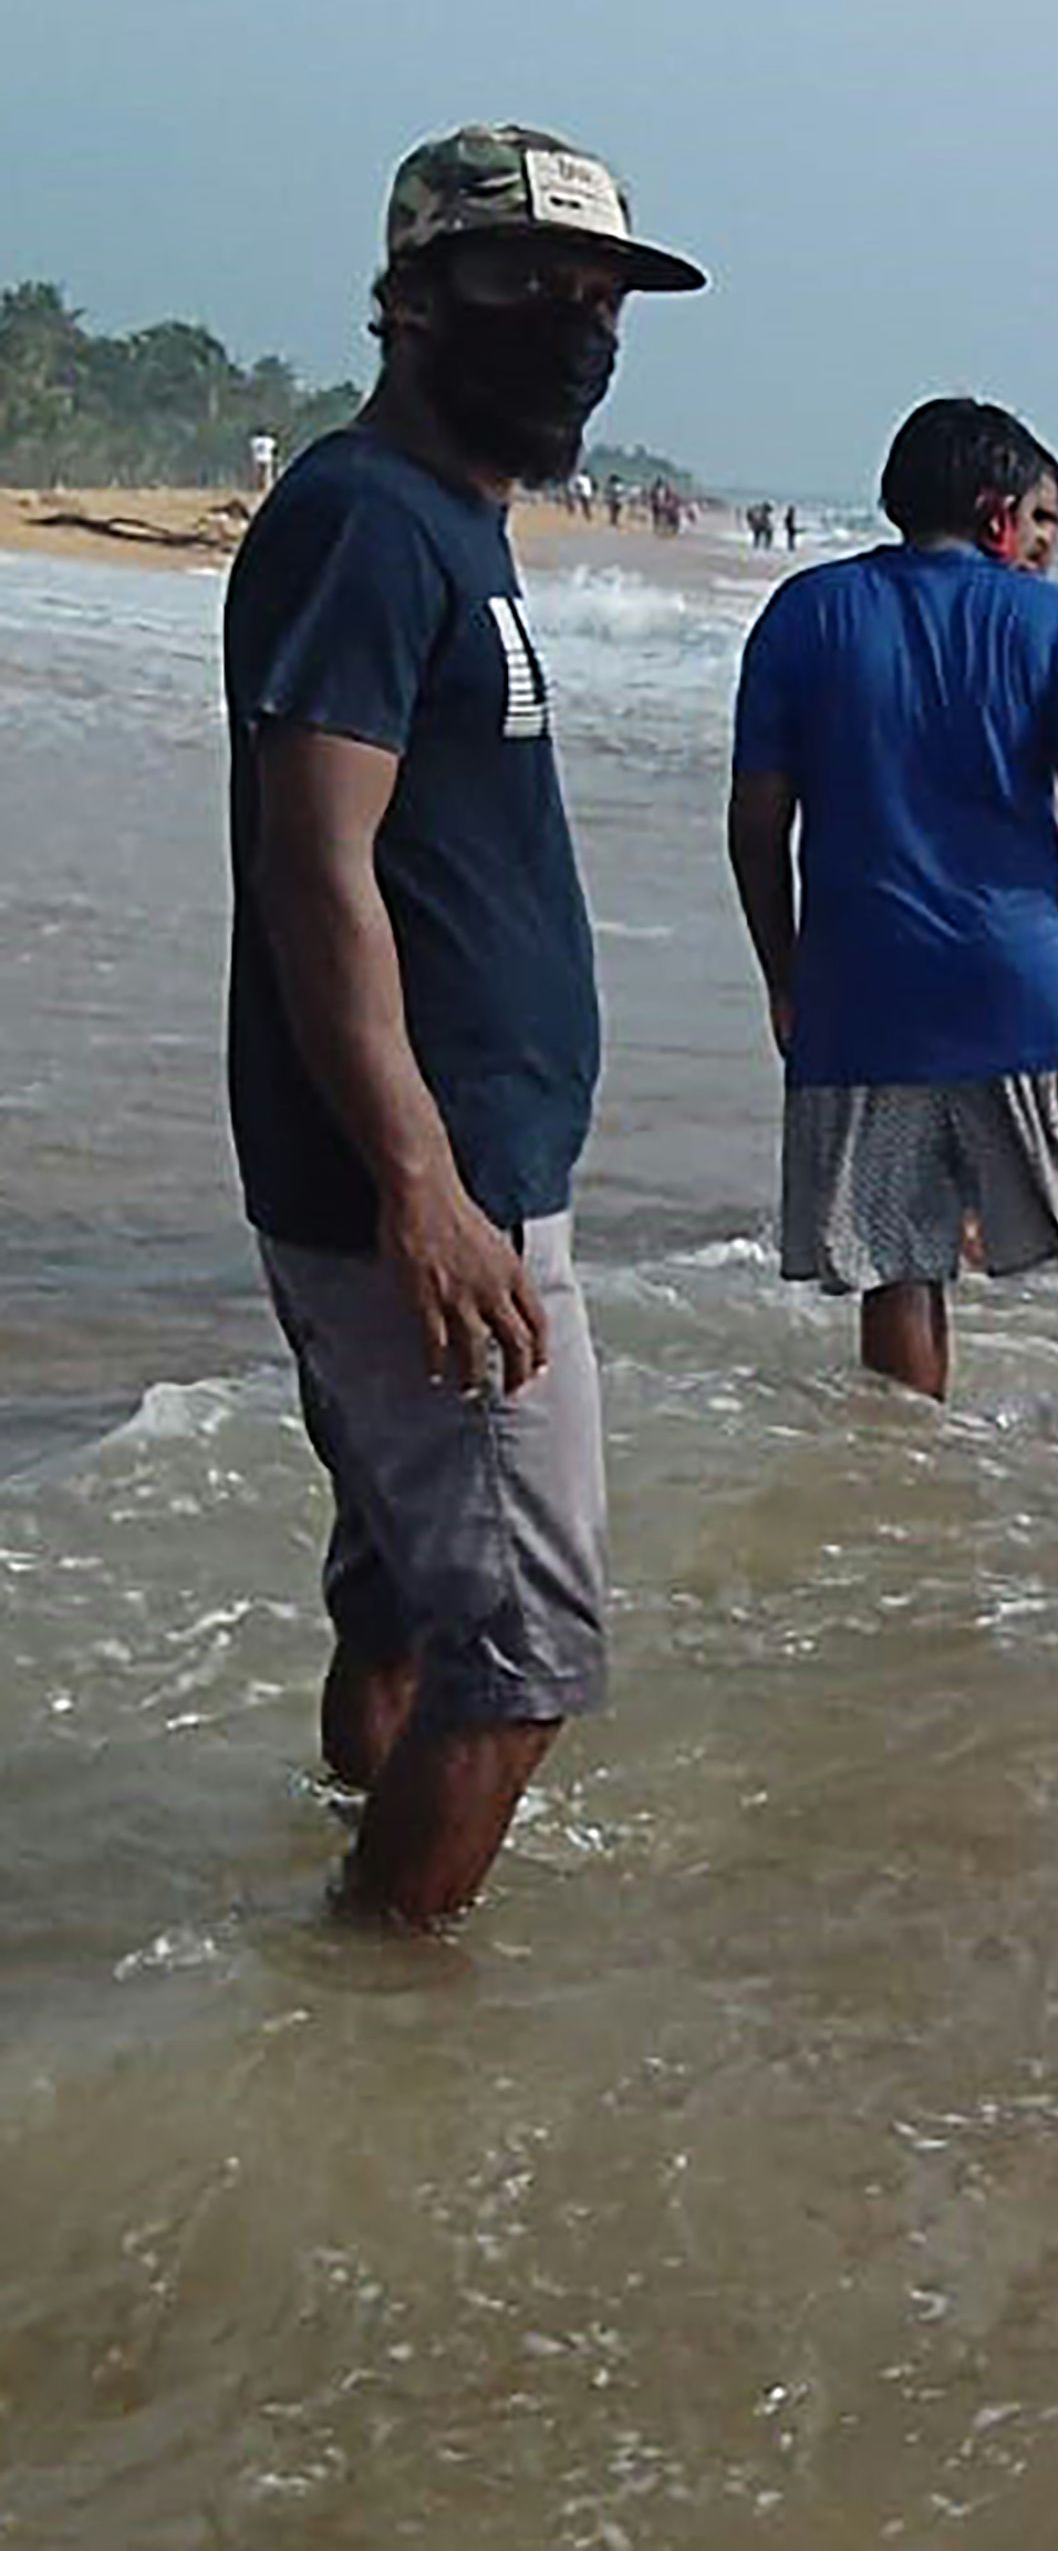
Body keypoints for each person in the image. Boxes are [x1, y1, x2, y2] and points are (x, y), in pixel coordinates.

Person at [222, 123, 703, 1926]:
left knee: (413, 1604)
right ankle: (379, 2021)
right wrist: (425, 1185)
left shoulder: (447, 523)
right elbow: (314, 871)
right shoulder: (363, 517)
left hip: (427, 1172)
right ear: (412, 298)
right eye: (525, 284)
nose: (573, 326)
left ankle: (350, 1866)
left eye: (601, 299)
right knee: (524, 1657)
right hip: (428, 1197)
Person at [725, 397, 1058, 1446]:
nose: (1049, 543)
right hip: (1019, 976)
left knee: (898, 1256)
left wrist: (783, 972)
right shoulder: (1043, 620)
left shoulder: (804, 612)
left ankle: (911, 1481)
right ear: (995, 517)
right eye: (1045, 520)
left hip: (860, 981)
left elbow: (757, 822)